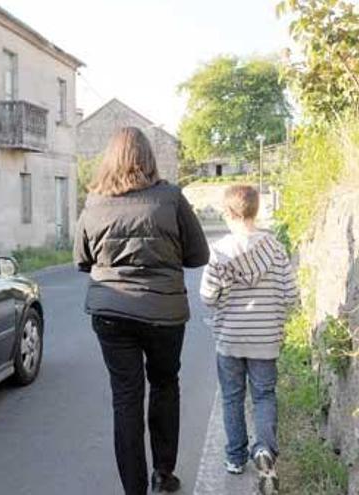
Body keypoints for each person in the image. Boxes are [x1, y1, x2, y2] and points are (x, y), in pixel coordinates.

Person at [74, 127, 210, 495]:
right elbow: (199, 255)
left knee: (126, 398)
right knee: (165, 385)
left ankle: (133, 490)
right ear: (149, 159)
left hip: (111, 314)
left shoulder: (94, 202)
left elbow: (82, 260)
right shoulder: (171, 198)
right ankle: (163, 475)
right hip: (164, 314)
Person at [199, 185, 298, 495]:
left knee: (231, 396)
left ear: (228, 214)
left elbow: (206, 296)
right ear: (256, 210)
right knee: (264, 395)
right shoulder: (275, 248)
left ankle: (235, 457)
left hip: (229, 337)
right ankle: (265, 449)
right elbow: (291, 296)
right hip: (265, 338)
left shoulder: (218, 252)